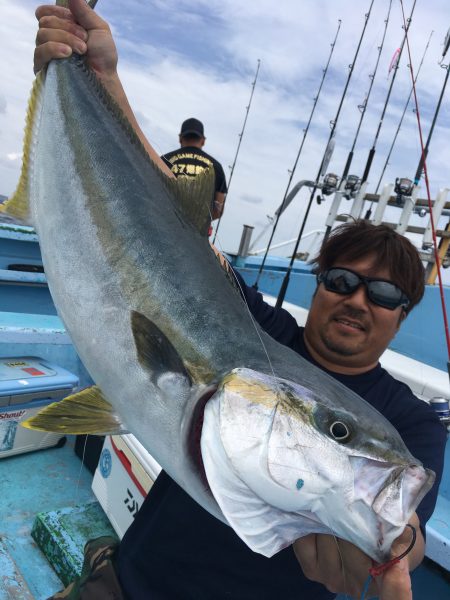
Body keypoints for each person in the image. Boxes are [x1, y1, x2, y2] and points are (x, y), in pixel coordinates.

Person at [34, 3, 446, 599]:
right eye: (340, 281)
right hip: (131, 584)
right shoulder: (260, 331)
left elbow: (407, 530)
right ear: (319, 286)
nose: (358, 299)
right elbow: (176, 236)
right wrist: (98, 77)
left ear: (402, 313)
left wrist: (398, 546)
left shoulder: (407, 423)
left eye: (383, 293)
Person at [161, 118, 228, 222]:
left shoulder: (163, 160)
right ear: (203, 141)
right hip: (197, 231)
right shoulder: (216, 167)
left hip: (163, 223)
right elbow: (218, 211)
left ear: (180, 138)